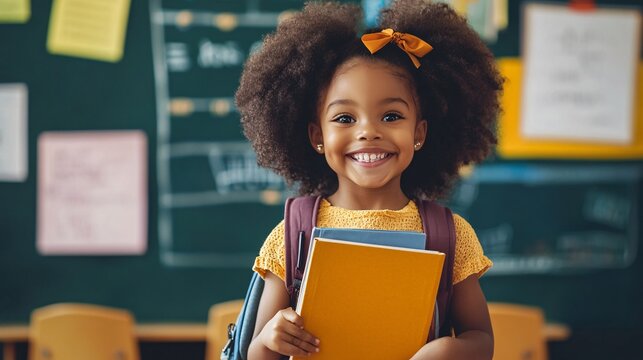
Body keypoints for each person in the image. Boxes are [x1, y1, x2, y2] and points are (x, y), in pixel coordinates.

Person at [235, 0, 503, 359]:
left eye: (391, 116)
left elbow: (481, 340)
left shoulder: (451, 236)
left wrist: (447, 350)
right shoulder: (291, 235)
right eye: (344, 118)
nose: (368, 133)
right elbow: (255, 354)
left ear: (419, 132)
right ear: (317, 136)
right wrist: (270, 338)